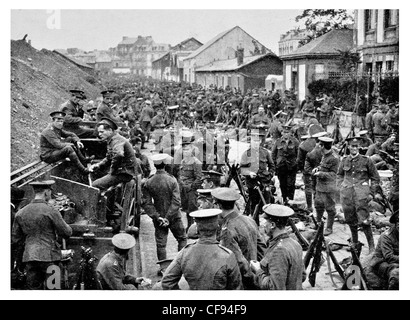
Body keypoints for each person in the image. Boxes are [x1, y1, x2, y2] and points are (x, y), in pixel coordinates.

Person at [11, 180, 73, 290]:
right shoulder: (51, 211)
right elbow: (67, 232)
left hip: (30, 258)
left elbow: (15, 239)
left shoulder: (20, 213)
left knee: (33, 291)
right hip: (50, 258)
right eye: (49, 192)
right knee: (53, 289)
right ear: (46, 192)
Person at [161, 209, 243, 290]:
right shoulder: (228, 256)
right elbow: (236, 289)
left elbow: (167, 281)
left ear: (196, 229)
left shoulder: (185, 252)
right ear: (218, 228)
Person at [211, 188, 266, 289]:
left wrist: (254, 281)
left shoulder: (228, 230)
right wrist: (261, 274)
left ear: (218, 205)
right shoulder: (249, 220)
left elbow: (239, 262)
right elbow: (262, 249)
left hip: (244, 282)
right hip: (257, 273)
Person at [337, 136, 381, 255]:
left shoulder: (366, 160)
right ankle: (355, 243)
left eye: (356, 146)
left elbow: (375, 178)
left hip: (361, 195)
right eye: (352, 146)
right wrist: (341, 186)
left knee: (365, 220)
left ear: (359, 147)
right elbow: (339, 175)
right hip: (347, 195)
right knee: (350, 220)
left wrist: (371, 192)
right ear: (349, 147)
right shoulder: (344, 160)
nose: (354, 148)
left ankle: (371, 246)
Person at [142, 154, 187, 267]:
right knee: (182, 239)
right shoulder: (172, 180)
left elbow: (147, 203)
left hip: (159, 219)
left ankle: (163, 268)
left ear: (155, 165)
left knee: (161, 244)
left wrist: (157, 217)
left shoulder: (149, 182)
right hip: (174, 217)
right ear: (165, 164)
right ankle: (180, 266)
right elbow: (177, 201)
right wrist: (168, 217)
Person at [250, 204, 304, 290]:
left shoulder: (278, 251)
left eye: (265, 221)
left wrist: (258, 271)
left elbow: (274, 287)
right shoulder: (295, 244)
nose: (263, 225)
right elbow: (302, 276)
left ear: (272, 225)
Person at [90, 118, 137, 191]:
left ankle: (103, 199)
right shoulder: (112, 139)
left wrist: (112, 170)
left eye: (102, 132)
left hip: (125, 173)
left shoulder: (116, 140)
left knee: (95, 185)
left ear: (110, 130)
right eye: (99, 132)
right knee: (94, 172)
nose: (99, 134)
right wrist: (99, 164)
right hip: (121, 171)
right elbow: (109, 157)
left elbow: (119, 154)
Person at [240, 130, 275, 215]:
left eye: (257, 141)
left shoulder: (265, 152)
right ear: (251, 141)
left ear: (260, 141)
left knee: (267, 203)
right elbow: (242, 169)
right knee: (254, 205)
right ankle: (256, 223)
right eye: (254, 141)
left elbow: (272, 166)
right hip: (252, 183)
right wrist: (249, 173)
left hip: (264, 182)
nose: (256, 143)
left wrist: (269, 175)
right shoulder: (246, 153)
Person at [312, 137, 340, 236]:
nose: (318, 147)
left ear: (323, 146)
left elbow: (334, 175)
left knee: (330, 209)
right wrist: (317, 169)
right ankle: (318, 224)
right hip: (320, 187)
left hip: (329, 188)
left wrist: (320, 174)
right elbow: (323, 166)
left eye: (320, 145)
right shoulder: (324, 155)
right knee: (318, 206)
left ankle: (329, 228)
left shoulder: (334, 158)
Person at [178, 133, 203, 231]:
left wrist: (191, 187)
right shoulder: (182, 161)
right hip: (183, 189)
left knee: (193, 209)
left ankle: (196, 228)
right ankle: (189, 226)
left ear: (192, 150)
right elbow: (180, 175)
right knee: (186, 209)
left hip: (191, 190)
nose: (185, 152)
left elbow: (198, 178)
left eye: (187, 149)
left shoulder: (196, 162)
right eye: (184, 150)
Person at [369, 211, 399, 290]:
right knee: (397, 274)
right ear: (396, 224)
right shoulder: (386, 236)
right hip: (382, 262)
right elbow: (389, 257)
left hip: (397, 261)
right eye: (398, 222)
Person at [271, 125, 299, 205]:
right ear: (282, 133)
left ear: (290, 133)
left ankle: (290, 200)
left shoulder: (295, 141)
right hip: (281, 166)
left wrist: (296, 163)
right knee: (282, 184)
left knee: (291, 184)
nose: (286, 134)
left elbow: (298, 154)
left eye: (288, 132)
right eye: (284, 132)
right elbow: (273, 153)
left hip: (292, 166)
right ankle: (284, 199)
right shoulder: (278, 141)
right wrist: (274, 164)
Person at [303, 131, 328, 213]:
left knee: (309, 189)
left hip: (311, 174)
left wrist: (312, 172)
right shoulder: (330, 152)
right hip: (323, 175)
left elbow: (306, 167)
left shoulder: (311, 151)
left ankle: (310, 207)